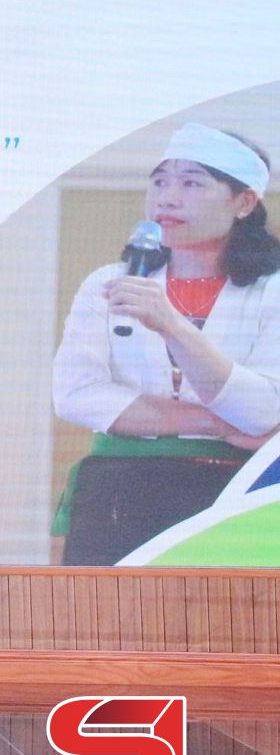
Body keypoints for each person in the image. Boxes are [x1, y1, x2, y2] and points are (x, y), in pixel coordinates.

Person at [53, 123, 280, 564]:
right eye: (159, 182)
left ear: (245, 202)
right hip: (117, 491)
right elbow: (75, 396)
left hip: (232, 494)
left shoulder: (271, 291)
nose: (167, 198)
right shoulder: (108, 282)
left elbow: (262, 411)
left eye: (191, 183)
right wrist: (217, 423)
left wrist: (172, 326)